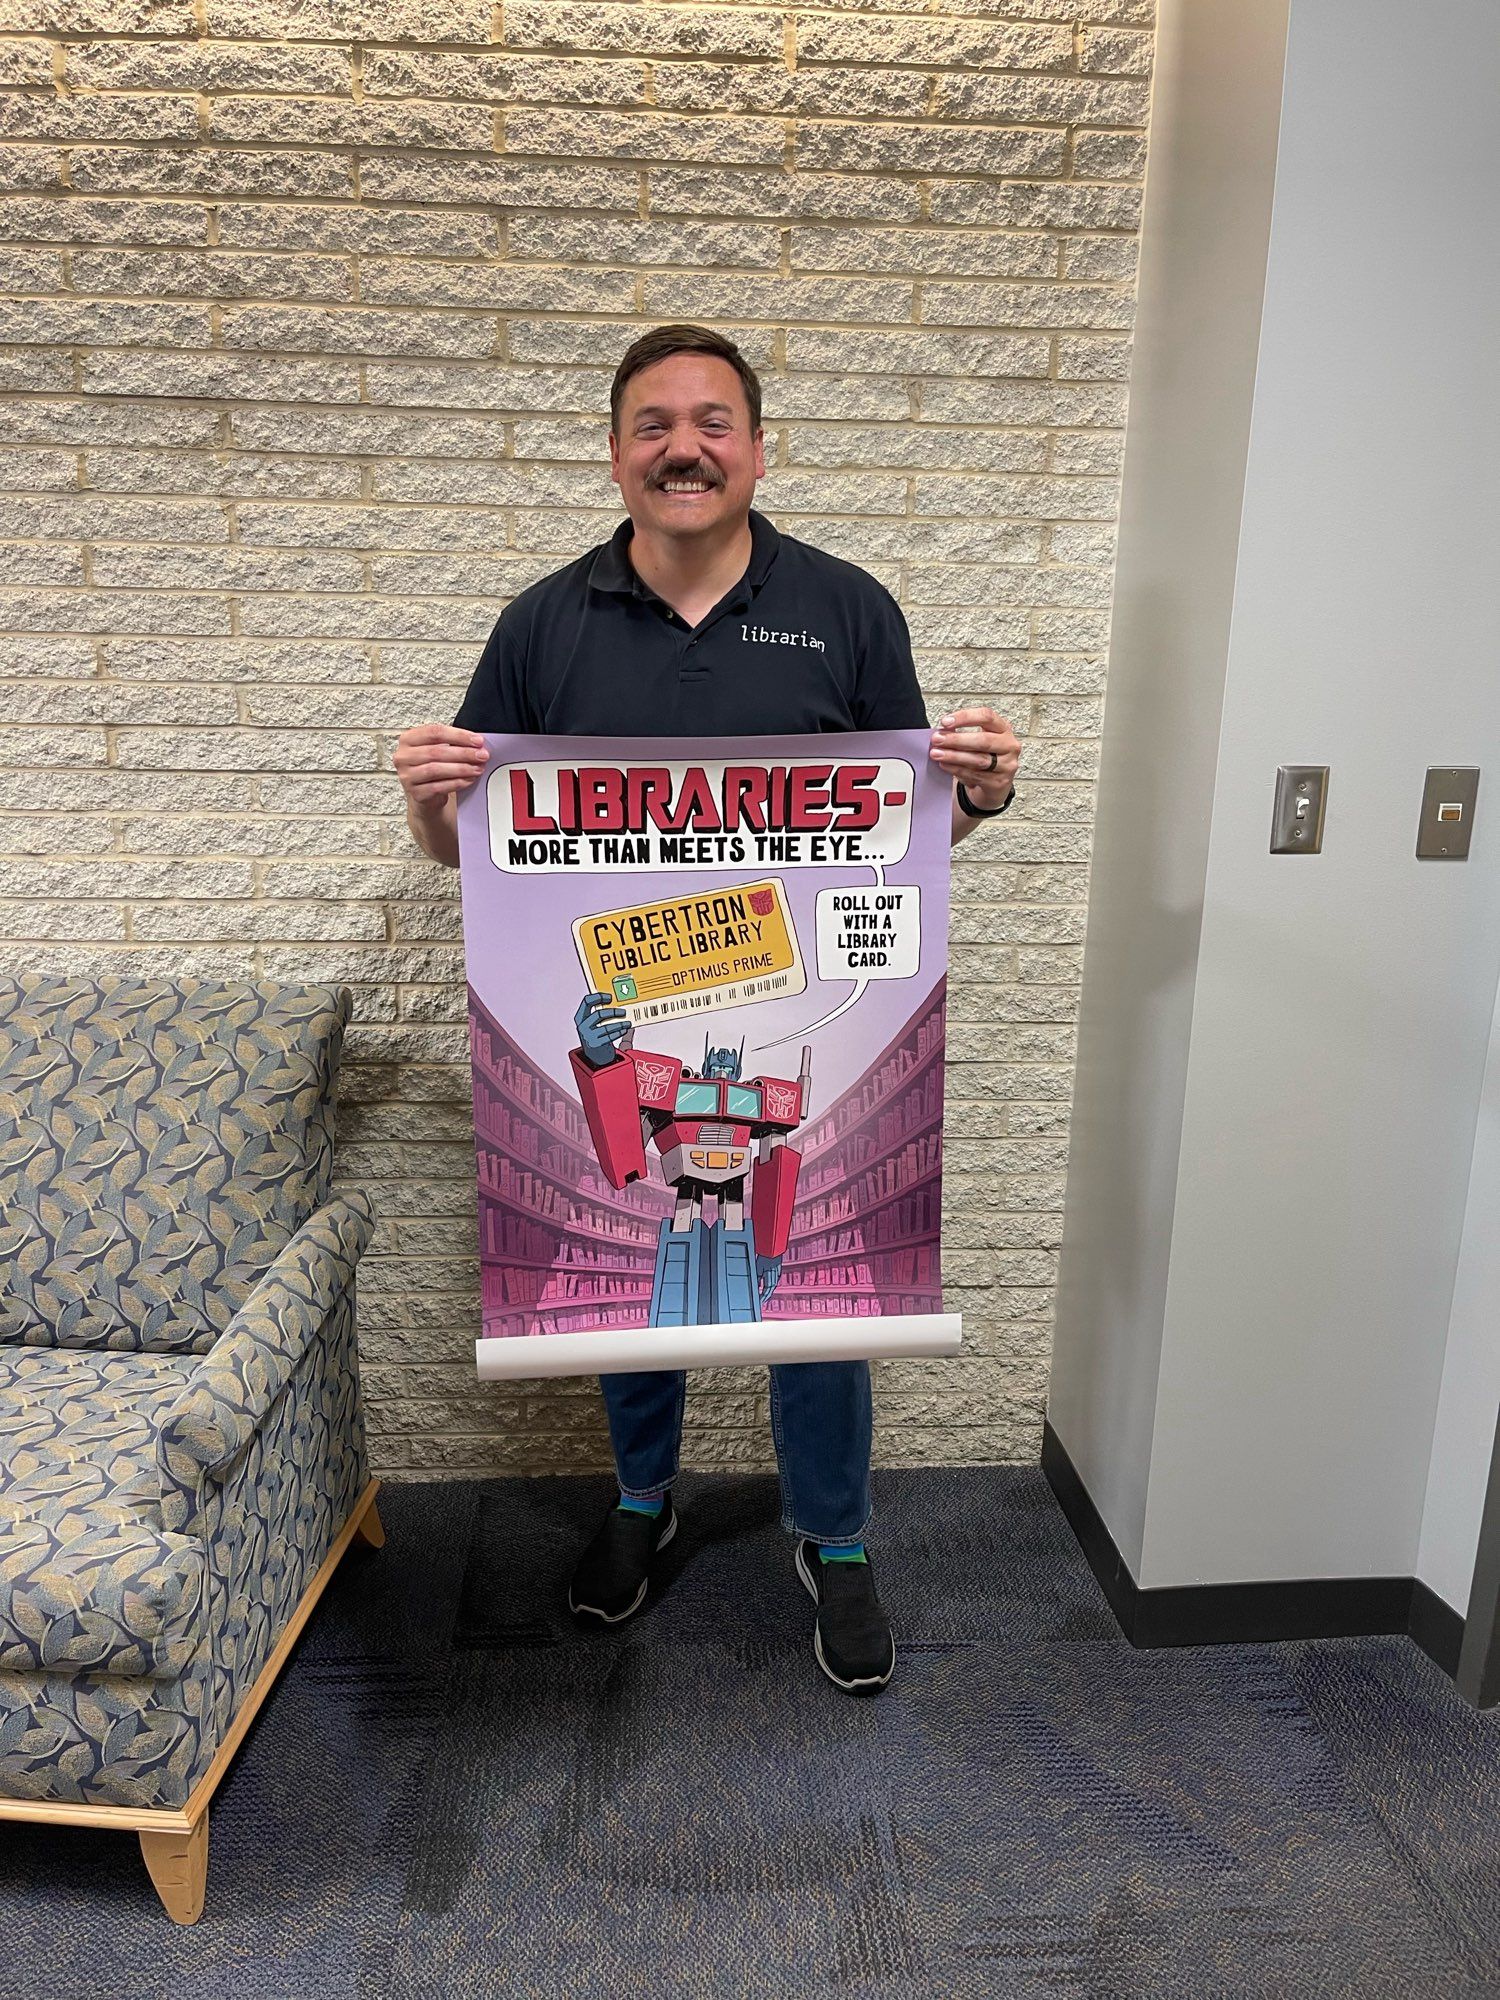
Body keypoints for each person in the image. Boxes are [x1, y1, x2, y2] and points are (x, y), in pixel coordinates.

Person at [395, 323, 1021, 1696]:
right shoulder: (543, 624)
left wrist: (969, 792)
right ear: (618, 451)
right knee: (638, 1264)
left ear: (754, 444)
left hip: (811, 1021)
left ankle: (837, 1541)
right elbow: (475, 861)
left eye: (713, 421)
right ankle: (641, 1502)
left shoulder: (848, 609)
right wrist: (433, 804)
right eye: (654, 424)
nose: (684, 447)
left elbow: (903, 839)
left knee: (825, 1283)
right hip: (624, 1015)